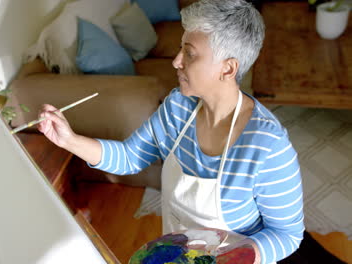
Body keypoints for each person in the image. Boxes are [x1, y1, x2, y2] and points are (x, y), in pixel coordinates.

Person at [37, 0, 304, 263]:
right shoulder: (177, 107)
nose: (176, 61)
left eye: (189, 53)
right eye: (180, 49)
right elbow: (130, 157)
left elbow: (287, 234)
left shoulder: (268, 146)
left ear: (228, 68)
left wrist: (235, 258)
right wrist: (69, 140)